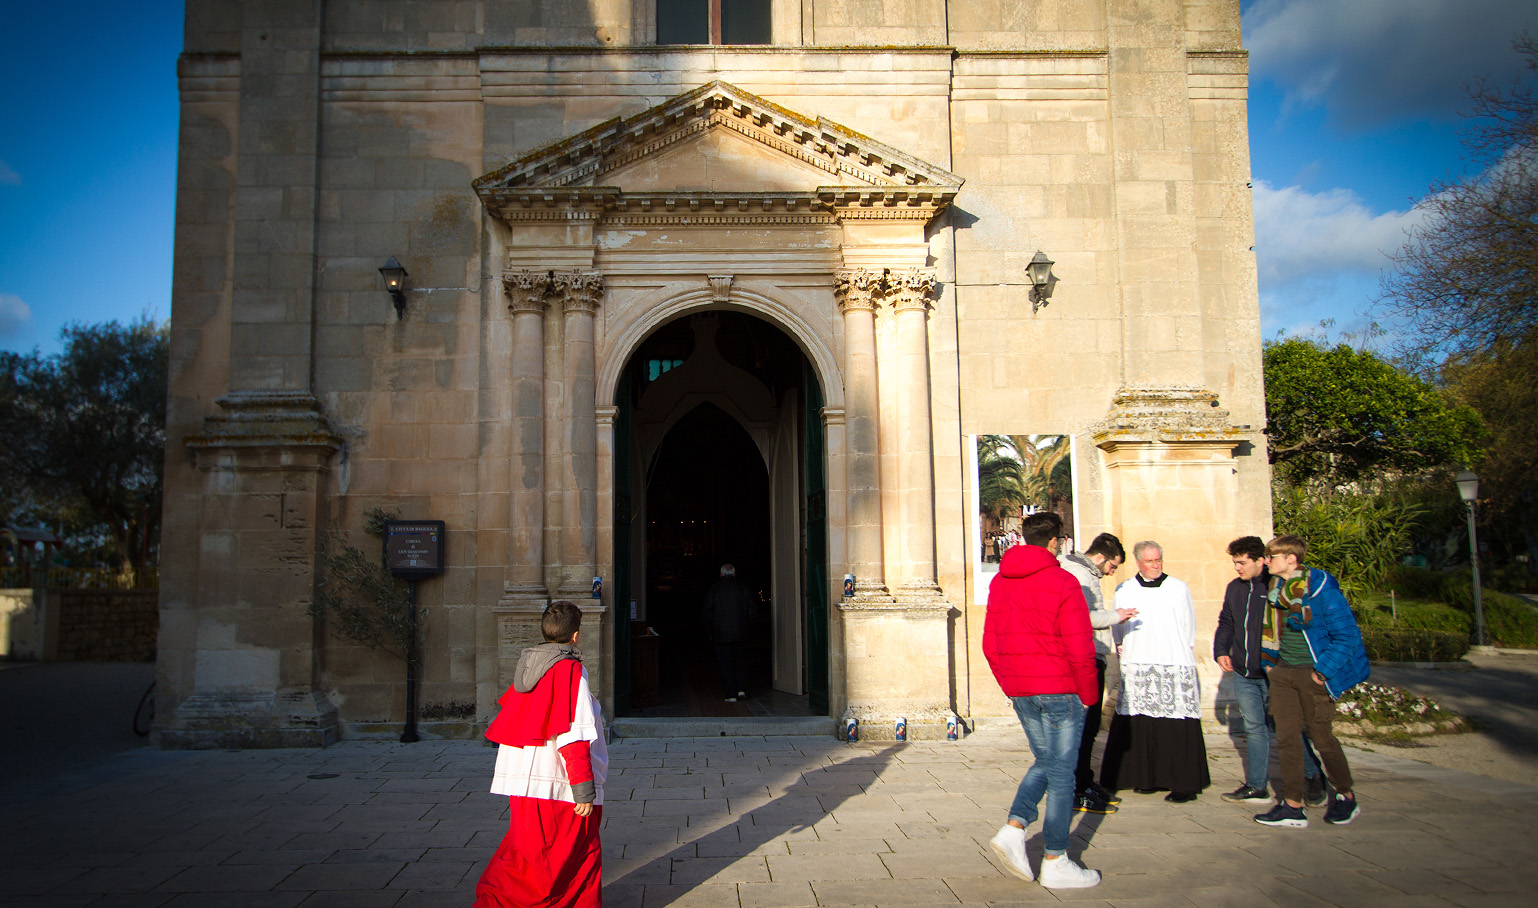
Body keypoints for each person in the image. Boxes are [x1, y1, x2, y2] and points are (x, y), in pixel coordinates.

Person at [982, 511, 1102, 890]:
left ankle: (1015, 828)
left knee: (1047, 761)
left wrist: (1010, 684)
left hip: (1022, 689)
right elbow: (1080, 646)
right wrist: (1089, 694)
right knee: (1063, 774)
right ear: (1054, 542)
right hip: (1060, 689)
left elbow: (990, 642)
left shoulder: (1001, 581)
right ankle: (1055, 858)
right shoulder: (1063, 582)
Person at [475, 601, 607, 908]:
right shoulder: (571, 671)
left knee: (525, 856)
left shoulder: (529, 667)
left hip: (524, 782)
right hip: (557, 785)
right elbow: (573, 735)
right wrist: (583, 790)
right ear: (576, 635)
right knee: (572, 858)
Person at [1253, 534, 1370, 828]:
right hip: (1283, 673)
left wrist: (1322, 673)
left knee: (1323, 739)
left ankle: (1346, 796)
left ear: (1290, 559)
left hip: (1312, 674)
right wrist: (1271, 667)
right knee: (1287, 740)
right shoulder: (1276, 591)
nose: (1266, 562)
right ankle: (1293, 805)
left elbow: (1347, 637)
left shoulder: (1322, 592)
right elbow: (1273, 633)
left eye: (1271, 557)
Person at [1214, 536, 1326, 806]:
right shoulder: (1234, 588)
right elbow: (1226, 621)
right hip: (1243, 671)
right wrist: (1221, 650)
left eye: (1242, 563)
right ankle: (1256, 785)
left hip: (1273, 671)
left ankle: (1313, 775)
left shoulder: (1277, 587)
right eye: (1235, 563)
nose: (1237, 568)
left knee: (1287, 727)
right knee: (1254, 727)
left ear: (1260, 561)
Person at [1098, 541, 1210, 802]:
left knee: (1175, 722)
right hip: (1139, 658)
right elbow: (1117, 625)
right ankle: (1145, 777)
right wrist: (1121, 646)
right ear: (1138, 563)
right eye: (1149, 561)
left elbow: (1188, 624)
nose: (1155, 565)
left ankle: (1183, 783)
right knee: (1142, 721)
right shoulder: (1125, 589)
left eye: (1158, 560)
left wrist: (1183, 652)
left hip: (1172, 659)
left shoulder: (1178, 588)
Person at [1058, 532, 1136, 814]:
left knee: (1089, 728)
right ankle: (1078, 789)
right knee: (1085, 726)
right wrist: (1118, 616)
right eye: (1112, 566)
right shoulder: (1079, 574)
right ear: (1101, 557)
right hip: (1085, 655)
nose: (1111, 572)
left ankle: (1085, 782)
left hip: (1093, 654)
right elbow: (1082, 616)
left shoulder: (1086, 572)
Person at [702, 563, 755, 702]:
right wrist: (747, 627)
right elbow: (752, 610)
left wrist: (709, 631)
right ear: (734, 574)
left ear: (721, 574)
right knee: (740, 661)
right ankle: (741, 689)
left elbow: (708, 611)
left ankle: (731, 694)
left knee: (725, 663)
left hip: (720, 634)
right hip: (740, 633)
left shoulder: (714, 589)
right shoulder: (743, 588)